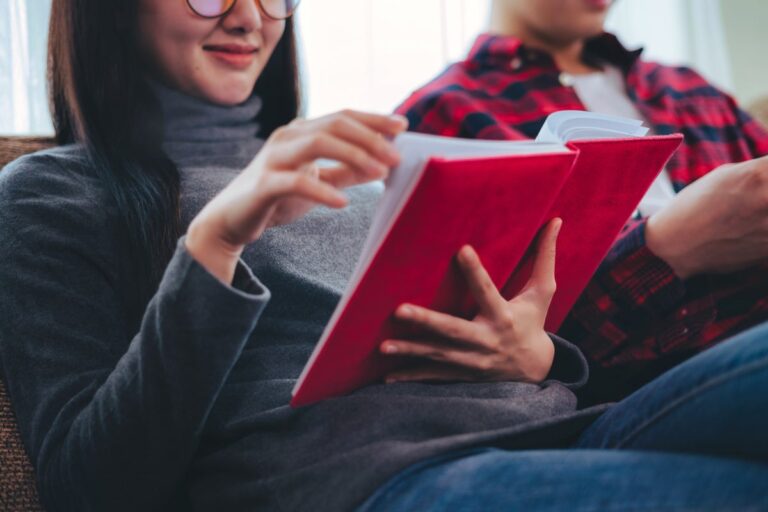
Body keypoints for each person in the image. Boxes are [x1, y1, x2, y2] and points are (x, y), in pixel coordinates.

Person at [0, 0, 767, 511]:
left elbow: (501, 346)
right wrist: (217, 241)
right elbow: (91, 485)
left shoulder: (360, 169)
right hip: (379, 478)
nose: (248, 15)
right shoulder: (53, 193)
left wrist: (535, 355)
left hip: (560, 426)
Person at [396, 0, 768, 403]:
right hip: (633, 391)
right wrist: (668, 248)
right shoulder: (438, 115)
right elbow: (494, 345)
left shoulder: (688, 87)